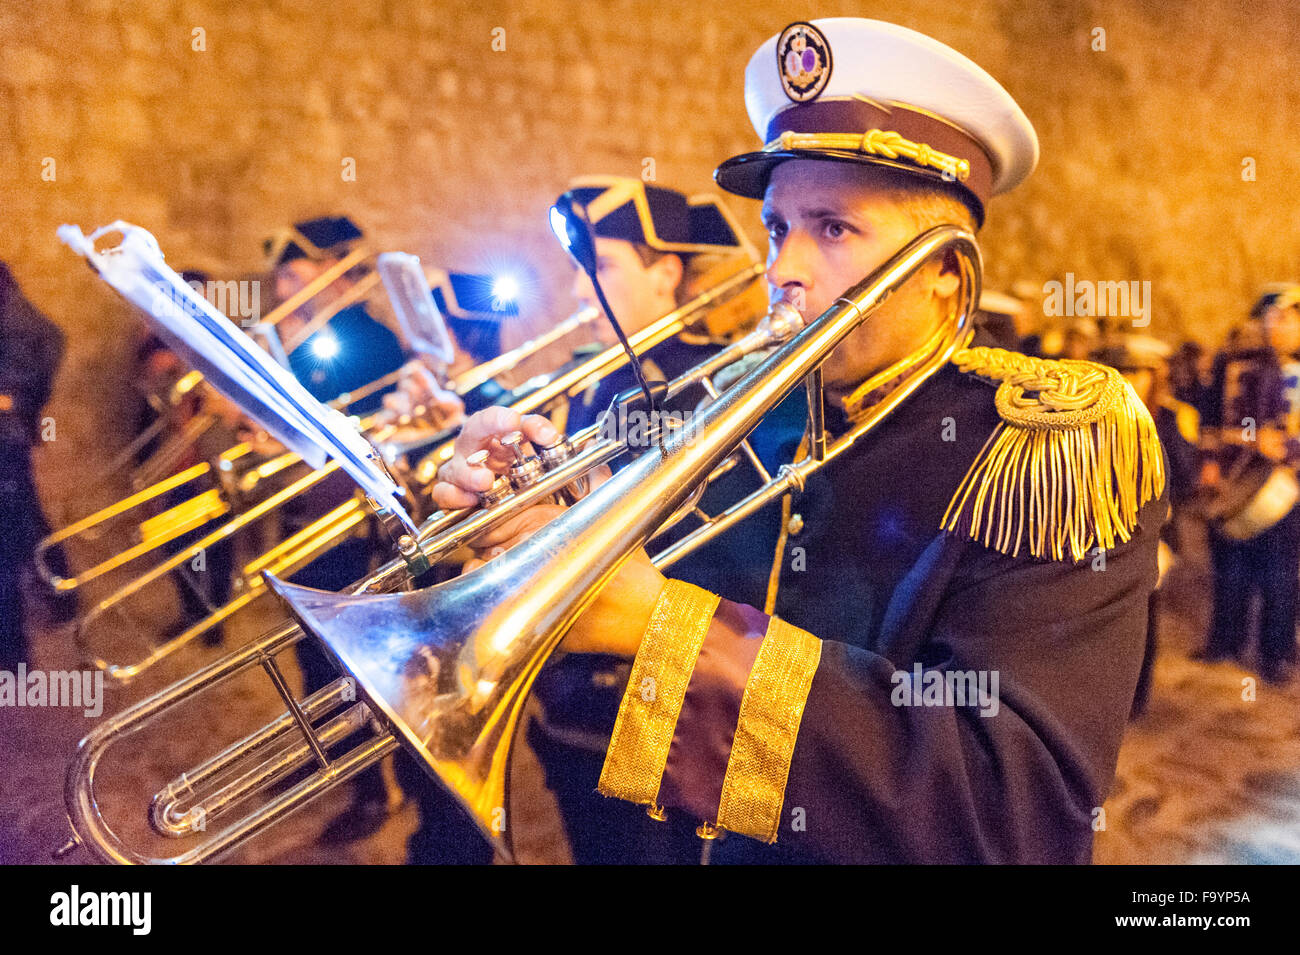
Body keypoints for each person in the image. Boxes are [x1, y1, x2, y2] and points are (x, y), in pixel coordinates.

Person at [433, 17, 1166, 864]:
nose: (782, 267)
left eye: (833, 227)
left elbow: (1013, 809)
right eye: (779, 228)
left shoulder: (1048, 444)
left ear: (946, 269)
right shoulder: (749, 409)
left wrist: (668, 629)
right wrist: (538, 524)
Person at [1197, 287, 1300, 685]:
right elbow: (1209, 417)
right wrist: (1209, 461)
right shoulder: (1233, 360)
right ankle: (1225, 642)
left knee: (1279, 572)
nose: (1284, 326)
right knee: (1231, 567)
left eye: (1291, 319)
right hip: (1233, 479)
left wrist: (1287, 447)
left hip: (1286, 485)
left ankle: (1276, 655)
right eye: (1279, 317)